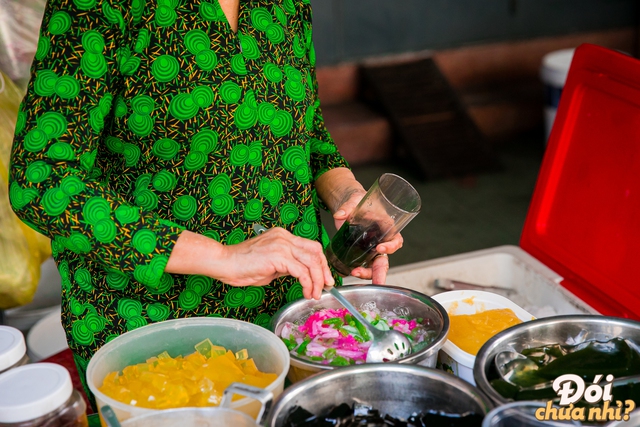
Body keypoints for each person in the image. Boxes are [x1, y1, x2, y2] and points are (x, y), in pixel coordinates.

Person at [9, 0, 403, 401]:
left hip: (293, 313)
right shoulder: (100, 7)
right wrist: (223, 257)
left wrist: (348, 194)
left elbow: (305, 129)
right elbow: (41, 180)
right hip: (157, 333)